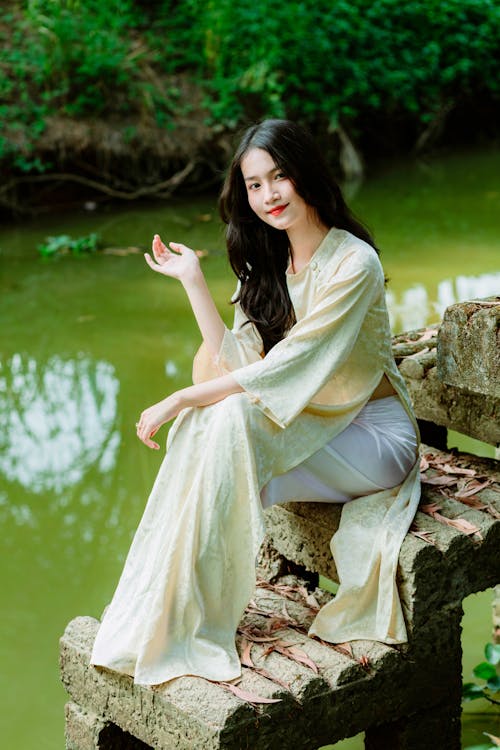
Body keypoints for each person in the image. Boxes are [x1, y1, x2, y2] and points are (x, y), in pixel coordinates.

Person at [90, 119, 421, 687]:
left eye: (280, 177)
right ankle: (168, 612)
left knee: (223, 414)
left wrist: (181, 395)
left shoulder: (353, 264)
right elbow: (235, 367)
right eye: (254, 185)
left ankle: (192, 623)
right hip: (313, 427)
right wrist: (193, 280)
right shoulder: (268, 264)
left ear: (306, 175)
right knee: (211, 427)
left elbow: (282, 371)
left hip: (375, 439)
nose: (269, 195)